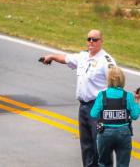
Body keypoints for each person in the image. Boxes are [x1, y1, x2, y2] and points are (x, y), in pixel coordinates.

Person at [40, 29, 116, 167]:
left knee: (101, 145)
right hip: (84, 107)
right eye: (89, 39)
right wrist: (51, 56)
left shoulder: (107, 62)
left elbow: (116, 84)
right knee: (86, 146)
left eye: (95, 39)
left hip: (99, 107)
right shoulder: (83, 57)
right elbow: (66, 58)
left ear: (101, 41)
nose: (91, 42)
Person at [90, 67, 139, 167]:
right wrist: (136, 101)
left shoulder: (102, 95)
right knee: (123, 164)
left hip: (105, 132)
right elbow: (134, 116)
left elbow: (93, 114)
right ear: (122, 79)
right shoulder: (128, 96)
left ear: (109, 80)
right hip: (124, 132)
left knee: (104, 163)